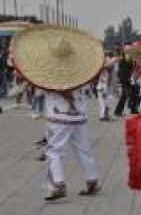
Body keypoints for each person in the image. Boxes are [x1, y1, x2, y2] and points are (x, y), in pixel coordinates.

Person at [10, 25, 102, 201]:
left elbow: (39, 93)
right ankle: (92, 179)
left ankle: (58, 183)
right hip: (79, 115)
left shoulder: (45, 76)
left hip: (58, 117)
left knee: (54, 150)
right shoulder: (82, 72)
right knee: (83, 148)